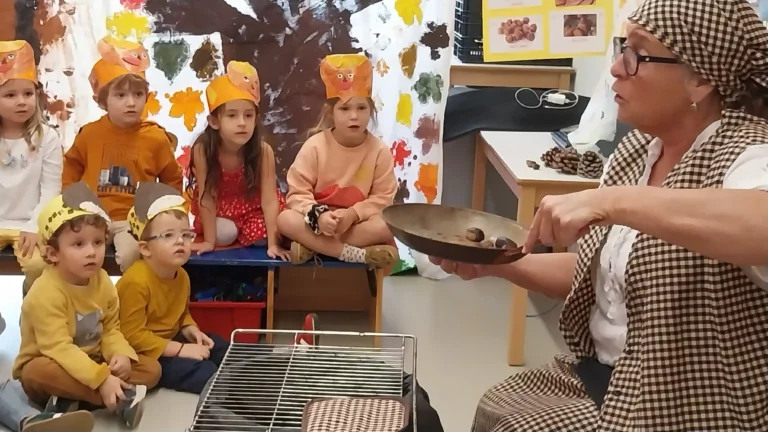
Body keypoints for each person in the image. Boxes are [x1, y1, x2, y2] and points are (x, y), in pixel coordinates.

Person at [432, 0, 768, 430]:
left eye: (638, 54)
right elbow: (602, 272)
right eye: (622, 49)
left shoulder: (748, 152)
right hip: (613, 375)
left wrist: (614, 202)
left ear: (700, 79)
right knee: (499, 408)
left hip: (685, 400)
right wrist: (495, 264)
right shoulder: (638, 151)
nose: (615, 68)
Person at [12, 182, 161, 430]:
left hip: (93, 358)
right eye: (78, 244)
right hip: (52, 362)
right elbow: (58, 348)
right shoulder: (44, 293)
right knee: (35, 372)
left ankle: (69, 400)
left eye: (98, 242)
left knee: (152, 370)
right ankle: (118, 398)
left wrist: (120, 354)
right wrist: (102, 380)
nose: (91, 252)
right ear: (53, 254)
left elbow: (111, 329)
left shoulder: (102, 281)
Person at [62, 35, 183, 272]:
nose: (131, 103)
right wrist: (71, 205)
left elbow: (172, 179)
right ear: (103, 100)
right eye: (120, 95)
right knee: (73, 254)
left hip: (133, 223)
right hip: (91, 217)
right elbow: (72, 167)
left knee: (132, 254)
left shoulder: (155, 137)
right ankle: (86, 294)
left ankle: (127, 296)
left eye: (138, 95)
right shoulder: (90, 133)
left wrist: (166, 217)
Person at [277, 54, 398, 266]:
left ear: (371, 110)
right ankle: (354, 254)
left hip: (354, 225)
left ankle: (313, 247)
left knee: (387, 225)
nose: (354, 116)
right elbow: (297, 193)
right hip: (318, 223)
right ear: (330, 112)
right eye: (345, 108)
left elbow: (383, 199)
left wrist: (353, 214)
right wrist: (319, 216)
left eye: (361, 108)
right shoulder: (315, 146)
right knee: (285, 219)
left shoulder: (379, 151)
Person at [118, 182, 229, 394]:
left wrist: (191, 330)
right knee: (205, 371)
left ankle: (256, 373)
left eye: (186, 235)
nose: (180, 241)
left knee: (219, 346)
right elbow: (132, 336)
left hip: (171, 339)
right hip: (146, 352)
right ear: (145, 248)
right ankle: (228, 388)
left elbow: (181, 314)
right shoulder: (135, 281)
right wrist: (180, 350)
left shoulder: (182, 275)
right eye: (168, 235)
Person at [186, 61, 289, 260]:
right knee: (225, 234)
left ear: (255, 120)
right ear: (214, 122)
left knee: (271, 233)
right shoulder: (203, 151)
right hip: (220, 210)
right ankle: (234, 235)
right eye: (232, 115)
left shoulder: (263, 151)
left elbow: (269, 199)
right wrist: (209, 241)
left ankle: (259, 237)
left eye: (248, 115)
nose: (242, 123)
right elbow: (207, 197)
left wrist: (273, 245)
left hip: (252, 209)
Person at [0, 40, 62, 295]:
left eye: (28, 94)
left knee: (40, 265)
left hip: (30, 222)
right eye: (10, 95)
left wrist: (35, 225)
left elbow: (51, 190)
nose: (21, 101)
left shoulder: (47, 137)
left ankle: (33, 310)